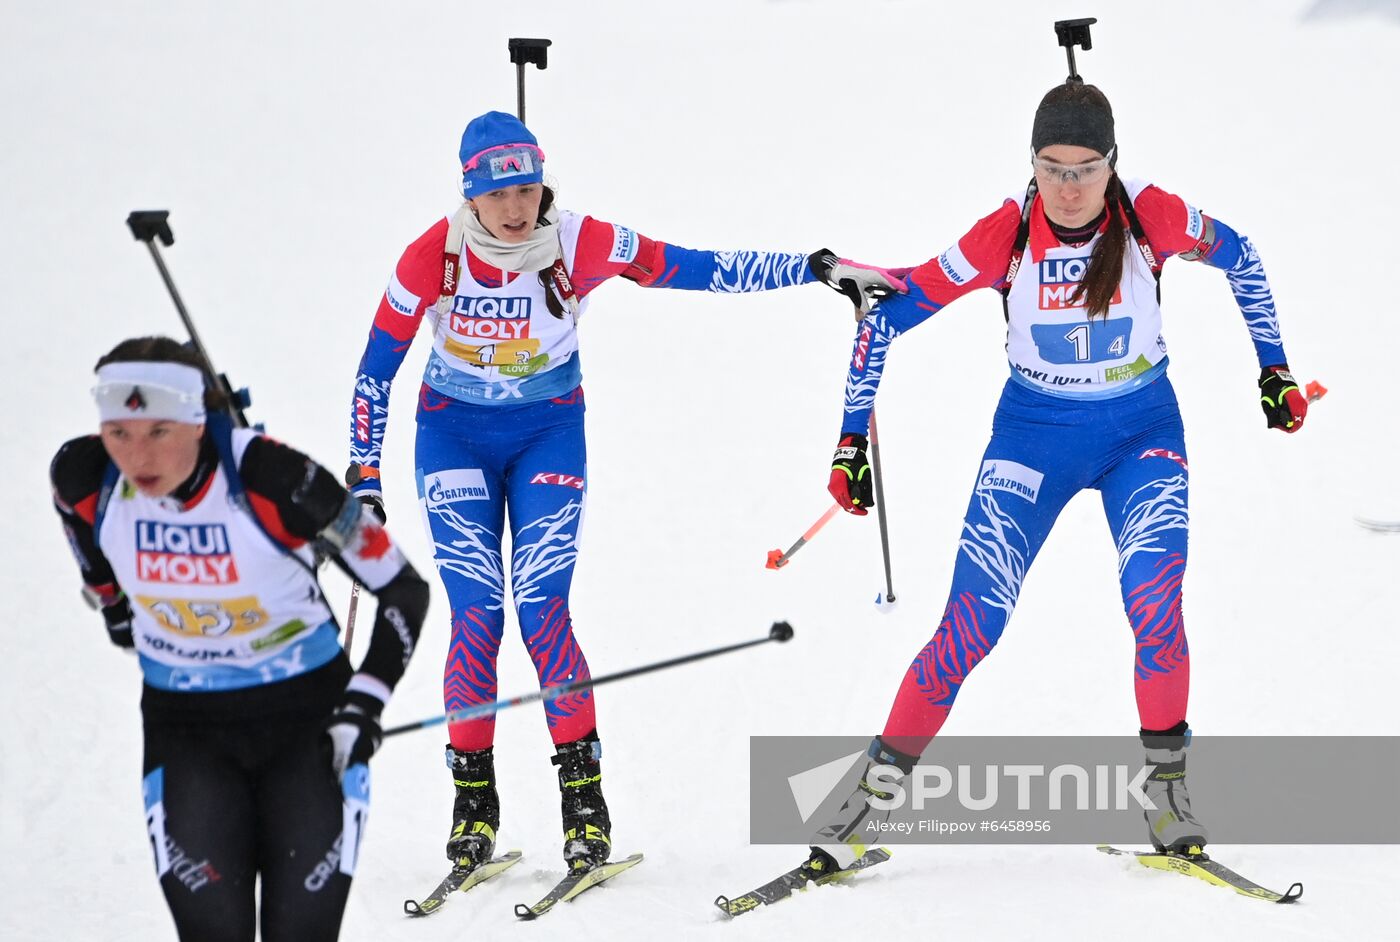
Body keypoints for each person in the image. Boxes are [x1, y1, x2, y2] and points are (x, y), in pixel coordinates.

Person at [344, 110, 900, 874]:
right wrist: (366, 483)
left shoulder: (581, 242)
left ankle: (583, 799)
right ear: (470, 193)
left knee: (541, 611)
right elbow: (375, 371)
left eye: (529, 189)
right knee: (475, 615)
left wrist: (814, 265)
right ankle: (473, 801)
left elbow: (696, 265)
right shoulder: (430, 258)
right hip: (453, 440)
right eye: (498, 195)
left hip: (547, 435)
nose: (516, 209)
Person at [812, 80, 1308, 870]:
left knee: (1155, 605)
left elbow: (1242, 256)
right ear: (1031, 165)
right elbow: (890, 314)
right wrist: (847, 440)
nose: (1068, 187)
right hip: (1033, 438)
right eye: (1051, 168)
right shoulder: (1002, 232)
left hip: (1141, 433)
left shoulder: (1154, 214)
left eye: (1085, 169)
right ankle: (868, 799)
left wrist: (1274, 369)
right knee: (969, 628)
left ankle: (1168, 792)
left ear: (1113, 164)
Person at [50, 337, 429, 942]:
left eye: (159, 431)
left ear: (200, 420)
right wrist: (113, 603)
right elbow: (85, 539)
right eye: (118, 432)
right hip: (187, 728)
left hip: (307, 722)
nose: (136, 455)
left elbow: (405, 590)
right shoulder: (83, 475)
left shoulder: (277, 479)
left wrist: (364, 702)